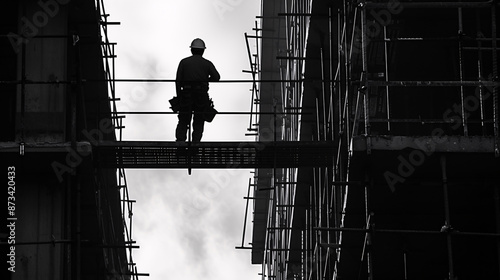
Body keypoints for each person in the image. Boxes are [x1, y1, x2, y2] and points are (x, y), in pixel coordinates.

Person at [175, 38, 220, 142]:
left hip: (186, 95)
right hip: (201, 96)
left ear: (192, 50)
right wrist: (205, 79)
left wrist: (179, 97)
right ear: (203, 51)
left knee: (183, 120)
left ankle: (180, 144)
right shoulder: (207, 64)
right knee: (199, 121)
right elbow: (216, 77)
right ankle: (195, 145)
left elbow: (178, 81)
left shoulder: (184, 62)